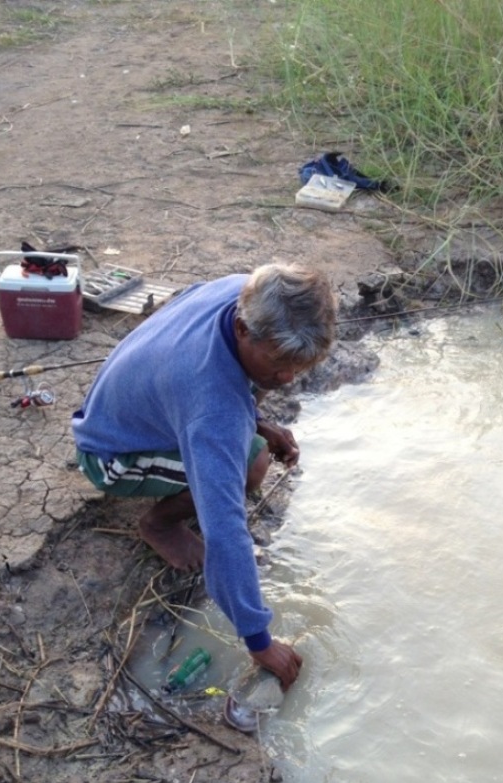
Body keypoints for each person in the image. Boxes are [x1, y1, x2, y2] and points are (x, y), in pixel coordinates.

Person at [72, 263, 336, 689]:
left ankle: (228, 440)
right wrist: (259, 641)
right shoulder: (213, 409)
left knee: (246, 443)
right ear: (244, 329)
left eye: (298, 367)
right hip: (110, 455)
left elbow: (222, 366)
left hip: (141, 405)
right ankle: (160, 522)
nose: (288, 379)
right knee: (251, 466)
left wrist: (257, 420)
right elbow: (226, 529)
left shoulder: (239, 290)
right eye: (279, 364)